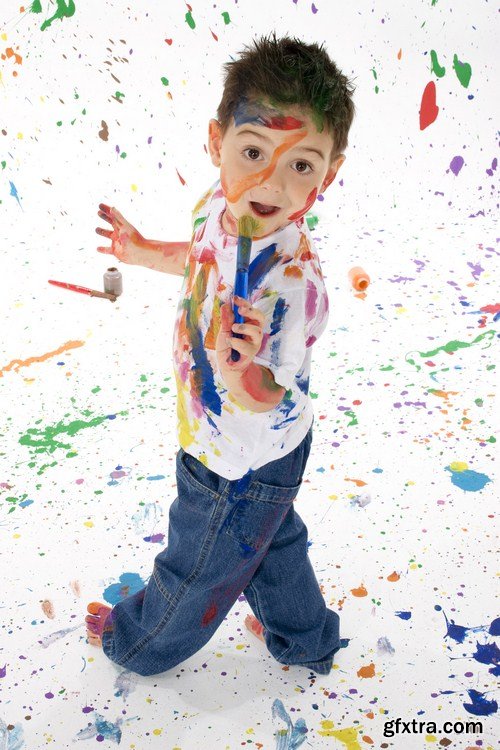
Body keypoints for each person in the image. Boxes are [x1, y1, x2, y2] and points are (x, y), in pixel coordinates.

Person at [86, 31, 355, 677]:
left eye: (301, 166)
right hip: (262, 449)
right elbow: (201, 260)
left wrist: (239, 372)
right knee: (272, 545)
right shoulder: (219, 205)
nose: (271, 183)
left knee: (196, 568)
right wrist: (140, 252)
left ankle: (139, 644)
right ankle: (307, 640)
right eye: (253, 151)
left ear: (329, 173)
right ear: (217, 143)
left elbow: (268, 394)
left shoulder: (291, 284)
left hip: (235, 457)